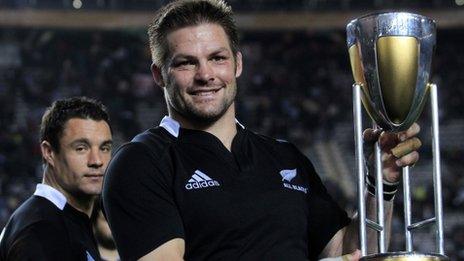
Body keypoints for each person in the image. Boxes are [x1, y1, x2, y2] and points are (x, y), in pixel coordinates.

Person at [102, 0, 420, 260]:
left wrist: (381, 181)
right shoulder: (140, 163)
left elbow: (353, 251)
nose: (205, 75)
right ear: (159, 75)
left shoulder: (286, 157)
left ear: (237, 64)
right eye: (186, 63)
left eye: (217, 58)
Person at [0, 97, 113, 260]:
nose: (97, 161)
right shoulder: (41, 230)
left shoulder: (68, 220)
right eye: (81, 148)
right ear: (49, 152)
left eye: (104, 148)